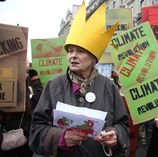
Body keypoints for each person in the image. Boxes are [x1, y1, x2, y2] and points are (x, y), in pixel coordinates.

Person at [29, 2, 129, 157]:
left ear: (94, 57)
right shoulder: (54, 85)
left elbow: (123, 125)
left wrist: (115, 135)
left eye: (80, 51)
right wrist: (60, 138)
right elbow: (35, 131)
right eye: (70, 51)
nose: (73, 55)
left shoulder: (109, 86)